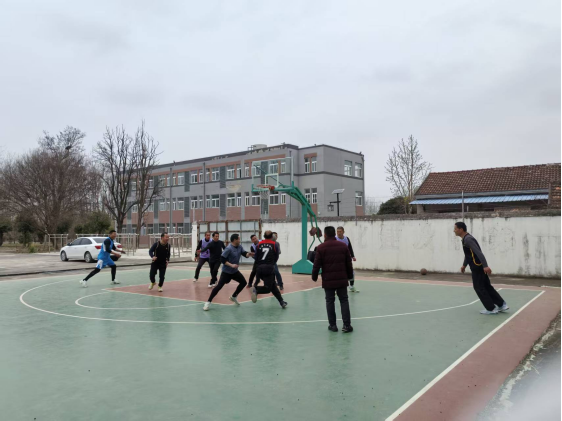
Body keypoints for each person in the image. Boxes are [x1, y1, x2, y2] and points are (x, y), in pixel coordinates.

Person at [454, 222, 509, 315]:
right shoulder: (465, 239)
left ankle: (491, 308)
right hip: (477, 266)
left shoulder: (468, 239)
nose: (454, 231)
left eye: (455, 229)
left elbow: (478, 252)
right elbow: (468, 254)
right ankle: (502, 305)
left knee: (478, 287)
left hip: (477, 267)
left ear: (461, 229)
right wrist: (464, 265)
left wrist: (485, 266)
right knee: (486, 286)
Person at [312, 226, 354, 333]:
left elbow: (316, 265)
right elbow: (349, 263)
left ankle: (333, 325)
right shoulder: (343, 246)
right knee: (344, 300)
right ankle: (347, 325)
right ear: (334, 234)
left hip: (328, 279)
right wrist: (350, 276)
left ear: (325, 235)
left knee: (330, 301)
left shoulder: (321, 248)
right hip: (342, 278)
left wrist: (314, 276)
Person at [203, 234, 254, 311]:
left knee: (243, 282)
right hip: (226, 272)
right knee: (219, 287)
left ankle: (234, 296)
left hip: (234, 272)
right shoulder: (228, 248)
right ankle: (208, 302)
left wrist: (249, 254)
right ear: (235, 240)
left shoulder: (239, 247)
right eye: (238, 239)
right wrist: (231, 265)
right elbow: (222, 259)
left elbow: (244, 254)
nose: (239, 240)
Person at [250, 231, 288, 309]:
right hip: (269, 269)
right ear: (272, 237)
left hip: (259, 268)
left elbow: (256, 256)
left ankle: (281, 302)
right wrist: (272, 264)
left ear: (264, 236)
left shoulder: (259, 244)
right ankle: (256, 289)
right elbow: (276, 256)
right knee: (268, 288)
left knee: (273, 285)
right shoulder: (274, 244)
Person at [336, 227, 359, 293]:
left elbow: (350, 248)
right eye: (337, 231)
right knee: (337, 274)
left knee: (351, 272)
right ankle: (336, 288)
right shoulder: (335, 239)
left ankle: (351, 286)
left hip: (346, 259)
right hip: (337, 260)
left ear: (343, 232)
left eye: (340, 231)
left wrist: (353, 256)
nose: (339, 233)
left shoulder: (346, 239)